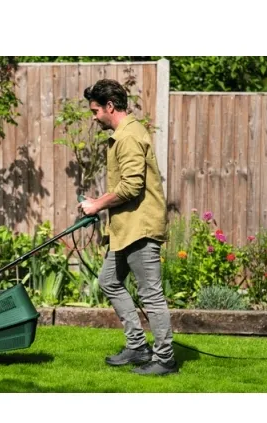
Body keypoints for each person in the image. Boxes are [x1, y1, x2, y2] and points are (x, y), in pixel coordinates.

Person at [79, 79, 177, 375]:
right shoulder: (123, 135)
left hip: (140, 228)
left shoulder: (129, 137)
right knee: (109, 280)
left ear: (109, 106)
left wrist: (97, 205)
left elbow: (132, 185)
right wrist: (98, 201)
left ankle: (165, 359)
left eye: (95, 111)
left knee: (151, 295)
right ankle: (137, 346)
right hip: (125, 228)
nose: (94, 117)